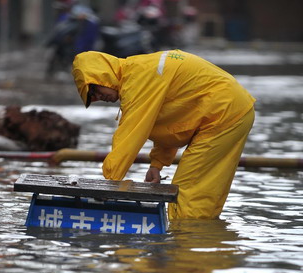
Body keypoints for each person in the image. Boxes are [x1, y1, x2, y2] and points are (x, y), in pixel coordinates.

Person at [71, 49, 255, 219]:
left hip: (224, 114)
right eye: (91, 96)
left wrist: (108, 184)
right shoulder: (139, 73)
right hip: (228, 111)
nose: (97, 97)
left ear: (103, 74)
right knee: (202, 194)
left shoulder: (137, 78)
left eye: (94, 88)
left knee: (187, 194)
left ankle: (186, 244)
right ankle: (203, 238)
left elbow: (130, 134)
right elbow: (170, 124)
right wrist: (157, 165)